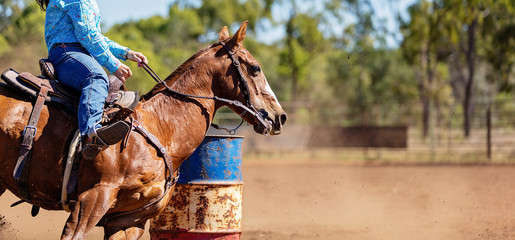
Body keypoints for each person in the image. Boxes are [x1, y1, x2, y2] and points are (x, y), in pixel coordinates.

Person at [36, 0, 148, 159]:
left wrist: (126, 53)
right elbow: (87, 34)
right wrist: (114, 65)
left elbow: (95, 36)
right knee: (96, 77)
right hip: (67, 52)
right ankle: (91, 133)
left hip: (76, 52)